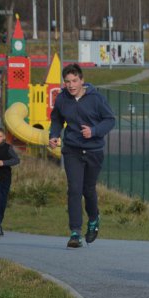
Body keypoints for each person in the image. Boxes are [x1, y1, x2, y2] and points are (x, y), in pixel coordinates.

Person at [49, 64, 115, 248]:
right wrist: (53, 135)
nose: (71, 85)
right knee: (74, 190)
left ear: (82, 80)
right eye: (67, 82)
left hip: (93, 150)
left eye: (74, 81)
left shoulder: (96, 98)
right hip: (72, 150)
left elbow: (110, 120)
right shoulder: (62, 99)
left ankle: (94, 219)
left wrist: (94, 131)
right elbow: (56, 119)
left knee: (88, 190)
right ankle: (75, 232)